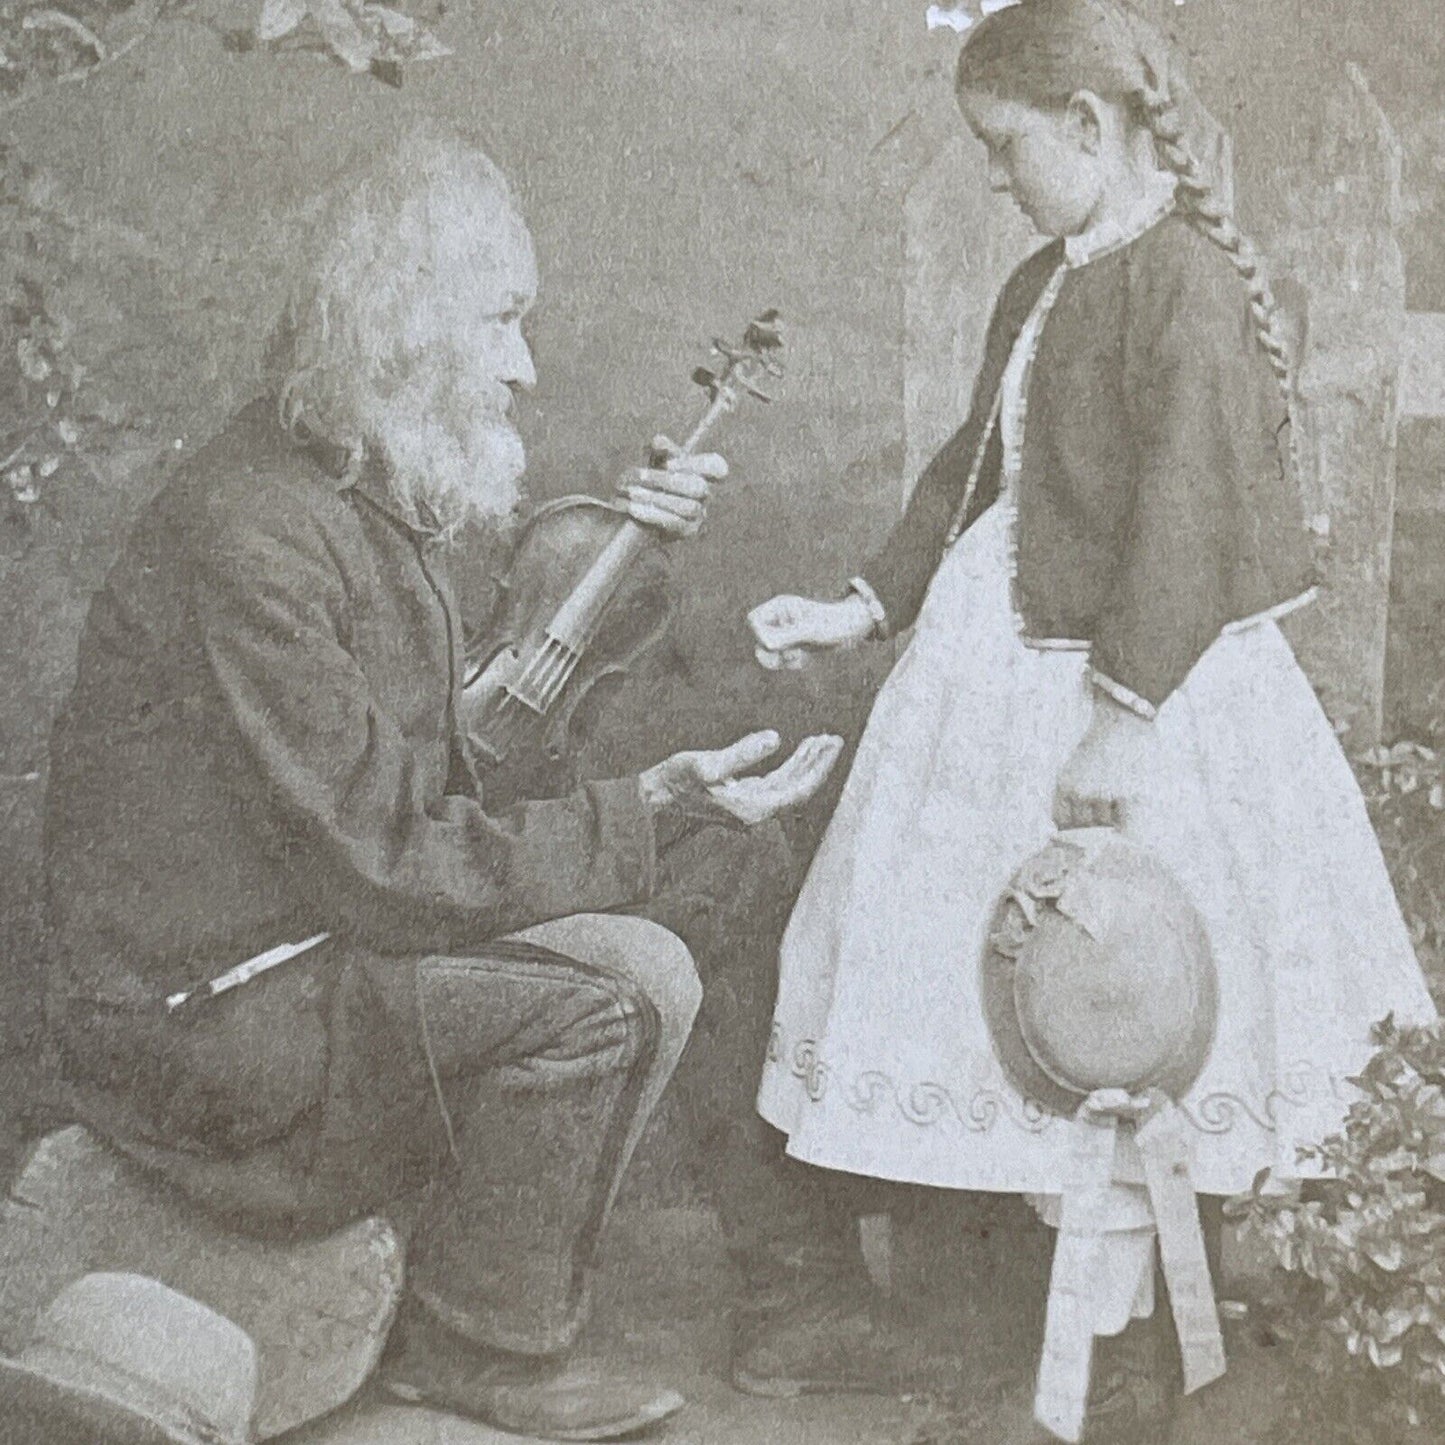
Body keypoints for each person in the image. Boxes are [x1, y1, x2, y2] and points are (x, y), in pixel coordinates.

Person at [40, 126, 842, 1443]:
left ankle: (577, 1294)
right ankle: (478, 1344)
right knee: (617, 987)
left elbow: (407, 786)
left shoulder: (344, 504)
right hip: (200, 1017)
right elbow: (385, 856)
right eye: (503, 321)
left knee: (695, 886)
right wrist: (633, 813)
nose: (526, 366)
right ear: (403, 331)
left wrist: (668, 798)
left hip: (292, 947)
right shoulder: (256, 532)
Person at [747, 1, 1437, 1438]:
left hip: (1137, 679)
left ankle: (1127, 1347)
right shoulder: (1041, 280)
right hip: (990, 660)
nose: (994, 174)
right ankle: (1035, 1330)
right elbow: (968, 471)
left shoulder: (1183, 281)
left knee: (1124, 990)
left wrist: (1123, 716)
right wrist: (862, 607)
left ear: (1086, 123)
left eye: (1006, 146)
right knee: (971, 981)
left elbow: (1188, 506)